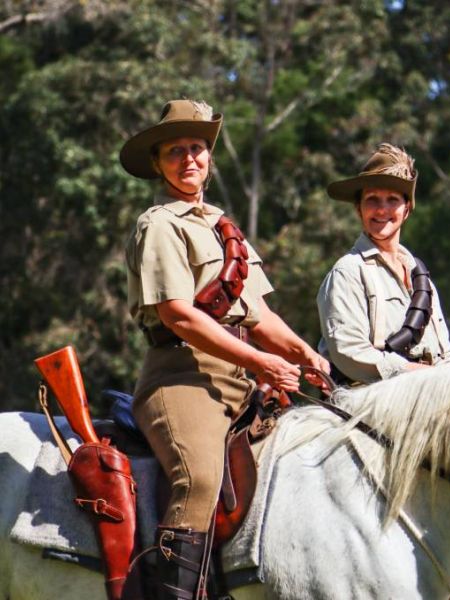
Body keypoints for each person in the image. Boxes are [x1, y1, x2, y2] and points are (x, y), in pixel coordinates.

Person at [120, 99, 329, 599]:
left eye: (197, 148)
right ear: (158, 164)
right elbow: (178, 314)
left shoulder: (222, 226)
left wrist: (309, 356)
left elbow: (257, 316)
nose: (188, 159)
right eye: (175, 151)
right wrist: (261, 362)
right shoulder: (160, 224)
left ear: (209, 157)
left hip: (237, 378)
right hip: (181, 377)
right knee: (199, 478)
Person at [316, 143, 450, 384]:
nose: (382, 209)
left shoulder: (423, 280)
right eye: (372, 200)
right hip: (370, 404)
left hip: (431, 396)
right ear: (359, 209)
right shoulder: (347, 272)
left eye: (392, 199)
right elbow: (348, 350)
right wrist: (418, 374)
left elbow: (445, 354)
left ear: (407, 209)